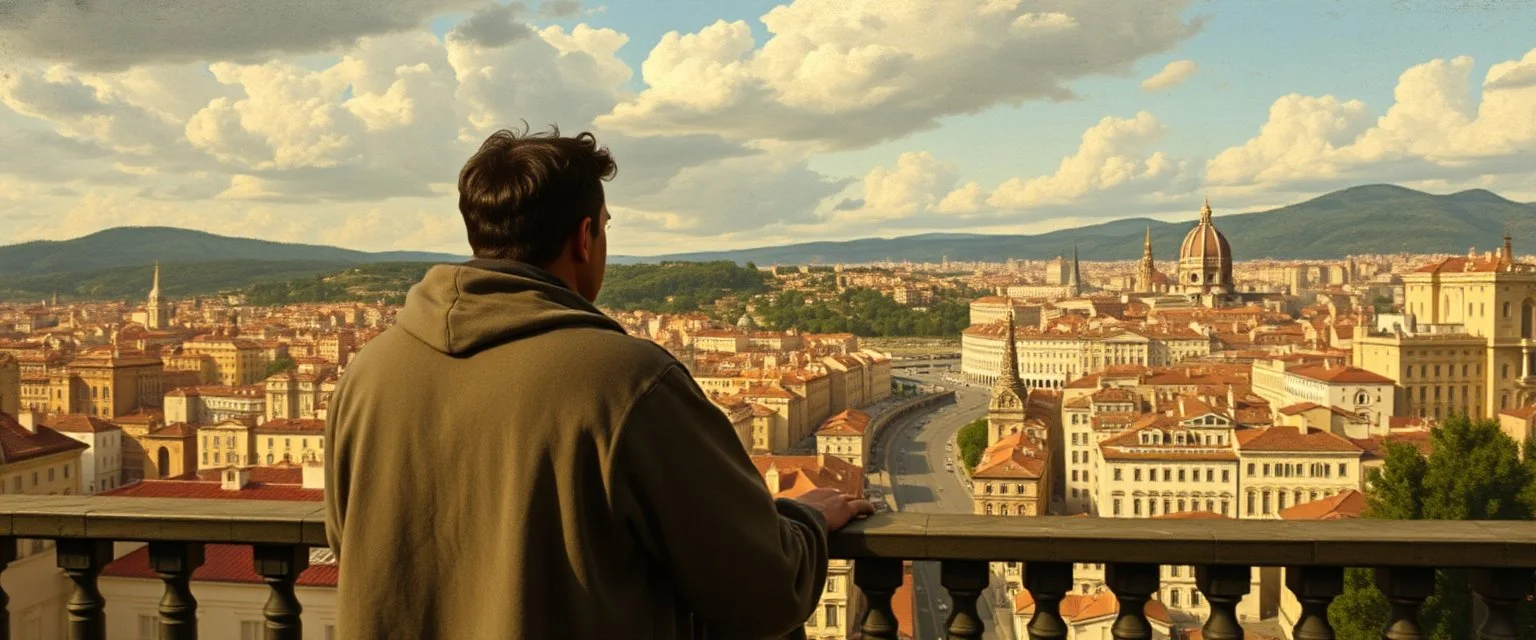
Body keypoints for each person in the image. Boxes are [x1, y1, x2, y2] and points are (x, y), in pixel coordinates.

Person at [324, 126, 874, 639]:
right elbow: (761, 590)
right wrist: (806, 520)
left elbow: (348, 541)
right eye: (606, 226)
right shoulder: (628, 380)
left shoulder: (369, 372)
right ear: (585, 237)